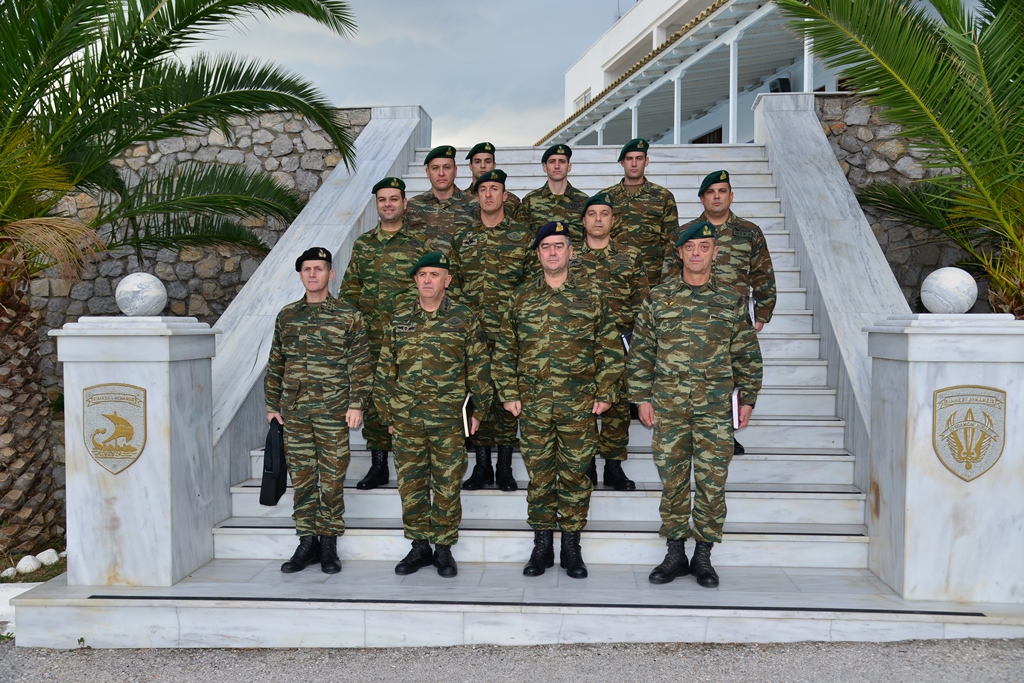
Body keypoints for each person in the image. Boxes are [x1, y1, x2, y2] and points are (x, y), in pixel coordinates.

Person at [629, 222, 763, 588]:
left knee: (711, 483)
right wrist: (641, 397)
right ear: (680, 253)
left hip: (714, 409)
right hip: (669, 407)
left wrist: (748, 398)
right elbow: (641, 352)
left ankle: (703, 555)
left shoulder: (731, 300)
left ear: (715, 253)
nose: (696, 253)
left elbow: (746, 353)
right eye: (690, 247)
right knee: (672, 481)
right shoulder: (659, 298)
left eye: (704, 247)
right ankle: (675, 553)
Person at [493, 221, 622, 579]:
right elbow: (505, 349)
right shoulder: (521, 298)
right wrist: (509, 393)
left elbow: (610, 349)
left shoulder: (591, 296)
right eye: (546, 246)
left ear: (570, 251)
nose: (552, 252)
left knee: (576, 476)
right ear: (538, 254)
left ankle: (571, 547)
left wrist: (605, 391)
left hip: (578, 405)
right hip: (533, 405)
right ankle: (542, 546)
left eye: (559, 246)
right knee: (540, 476)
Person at [374, 252, 493, 578]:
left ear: (447, 280)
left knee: (447, 484)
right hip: (407, 419)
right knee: (410, 485)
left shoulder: (464, 318)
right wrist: (387, 414)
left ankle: (443, 548)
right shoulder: (399, 319)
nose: (428, 280)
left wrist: (479, 409)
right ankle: (419, 547)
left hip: (448, 419)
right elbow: (386, 369)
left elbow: (478, 366)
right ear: (415, 280)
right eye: (422, 274)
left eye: (435, 274)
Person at [265, 247, 373, 574]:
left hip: (333, 410)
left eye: (319, 268)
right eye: (307, 269)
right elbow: (276, 363)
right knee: (302, 478)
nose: (313, 274)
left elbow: (361, 364)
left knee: (332, 478)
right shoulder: (287, 316)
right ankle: (306, 542)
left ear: (330, 274)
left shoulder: (348, 316)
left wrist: (356, 403)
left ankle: (328, 543)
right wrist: (271, 405)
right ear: (301, 275)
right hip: (295, 411)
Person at [663, 170, 775, 455]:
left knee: (731, 374)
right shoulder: (685, 233)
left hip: (732, 317)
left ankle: (727, 431)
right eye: (711, 192)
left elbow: (762, 273)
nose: (716, 197)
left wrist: (762, 312)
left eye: (722, 191)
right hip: (691, 313)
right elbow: (669, 275)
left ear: (731, 196)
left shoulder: (749, 232)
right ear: (702, 198)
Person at [341, 177, 429, 490]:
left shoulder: (420, 244)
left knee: (411, 396)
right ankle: (378, 464)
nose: (388, 204)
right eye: (382, 200)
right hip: (371, 338)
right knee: (376, 397)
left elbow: (433, 289)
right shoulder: (364, 244)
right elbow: (351, 289)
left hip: (410, 338)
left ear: (405, 203)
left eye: (394, 199)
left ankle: (415, 463)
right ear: (376, 205)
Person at [449, 169, 534, 492]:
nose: (488, 195)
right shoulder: (462, 237)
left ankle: (505, 466)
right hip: (473, 332)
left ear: (504, 196)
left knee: (508, 394)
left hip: (511, 331)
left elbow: (531, 283)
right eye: (483, 189)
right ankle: (482, 465)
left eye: (494, 189)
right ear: (476, 196)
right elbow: (453, 282)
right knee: (477, 393)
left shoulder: (523, 236)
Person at [572, 192, 649, 491]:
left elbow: (642, 302)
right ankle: (588, 464)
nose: (598, 219)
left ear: (613, 221)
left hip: (618, 343)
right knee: (583, 406)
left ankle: (614, 466)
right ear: (583, 221)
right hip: (579, 344)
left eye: (604, 214)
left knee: (616, 407)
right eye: (592, 214)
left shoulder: (629, 256)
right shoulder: (570, 256)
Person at [600, 138, 679, 288]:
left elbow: (671, 243)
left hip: (651, 279)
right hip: (613, 278)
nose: (634, 163)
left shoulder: (663, 197)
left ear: (646, 161)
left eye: (639, 158)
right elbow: (596, 238)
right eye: (629, 159)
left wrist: (669, 283)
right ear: (622, 162)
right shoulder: (606, 198)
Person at [405, 144, 476, 252]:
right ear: (427, 172)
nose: (441, 173)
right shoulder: (412, 206)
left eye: (447, 167)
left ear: (455, 170)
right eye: (435, 168)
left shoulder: (474, 205)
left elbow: (479, 242)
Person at [518, 144, 589, 245]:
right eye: (552, 162)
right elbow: (523, 238)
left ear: (569, 167)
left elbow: (590, 239)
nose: (557, 166)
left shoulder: (584, 201)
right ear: (544, 167)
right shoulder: (530, 201)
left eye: (562, 161)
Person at [464, 142, 521, 216]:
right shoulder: (460, 199)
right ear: (470, 166)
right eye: (477, 162)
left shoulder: (512, 200)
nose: (483, 166)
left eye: (488, 162)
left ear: (494, 165)